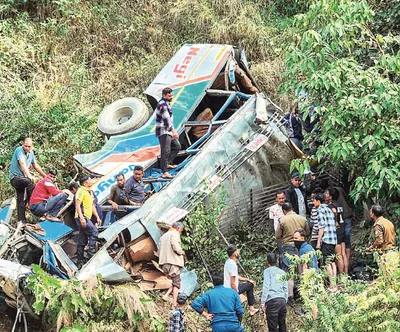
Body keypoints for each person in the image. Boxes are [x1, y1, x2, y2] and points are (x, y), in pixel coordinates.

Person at [276, 202, 310, 300]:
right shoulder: (303, 219)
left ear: (284, 211)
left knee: (289, 272)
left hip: (288, 247)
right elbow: (307, 232)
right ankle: (303, 294)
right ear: (293, 208)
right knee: (301, 270)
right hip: (301, 247)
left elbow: (278, 235)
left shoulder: (282, 220)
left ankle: (290, 296)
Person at [9, 137, 46, 223]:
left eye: (29, 146)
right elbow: (22, 163)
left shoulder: (31, 153)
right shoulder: (19, 150)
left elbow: (35, 165)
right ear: (23, 145)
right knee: (30, 182)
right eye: (25, 146)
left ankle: (22, 222)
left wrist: (45, 176)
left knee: (20, 200)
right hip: (15, 178)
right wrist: (29, 176)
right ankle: (32, 203)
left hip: (23, 179)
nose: (27, 148)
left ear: (32, 146)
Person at [75, 175, 102, 268]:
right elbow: (77, 205)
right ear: (85, 183)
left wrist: (97, 216)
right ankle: (91, 255)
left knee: (82, 239)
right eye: (90, 180)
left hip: (86, 217)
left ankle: (80, 260)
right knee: (94, 232)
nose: (91, 181)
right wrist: (82, 218)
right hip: (82, 217)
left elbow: (92, 206)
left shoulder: (89, 192)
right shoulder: (81, 190)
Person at [224, 245, 258, 315]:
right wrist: (237, 295)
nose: (238, 252)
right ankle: (251, 309)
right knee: (250, 285)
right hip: (231, 289)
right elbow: (232, 283)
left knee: (248, 284)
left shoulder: (228, 262)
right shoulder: (232, 265)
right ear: (235, 253)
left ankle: (251, 308)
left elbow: (236, 276)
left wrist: (247, 280)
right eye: (237, 251)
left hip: (227, 288)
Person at [158, 221, 186, 308]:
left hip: (164, 262)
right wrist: (181, 252)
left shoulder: (163, 236)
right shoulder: (175, 233)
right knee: (177, 283)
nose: (180, 232)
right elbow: (175, 245)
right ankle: (174, 304)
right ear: (178, 228)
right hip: (173, 262)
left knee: (174, 281)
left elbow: (159, 249)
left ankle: (166, 295)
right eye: (181, 230)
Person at [156, 87, 181, 179]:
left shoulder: (166, 104)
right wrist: (173, 131)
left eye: (172, 95)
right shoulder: (163, 105)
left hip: (168, 132)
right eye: (169, 95)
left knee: (176, 146)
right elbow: (167, 119)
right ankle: (165, 172)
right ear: (164, 95)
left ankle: (167, 164)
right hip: (164, 131)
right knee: (165, 151)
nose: (171, 97)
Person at [314, 193, 337, 288]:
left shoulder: (320, 210)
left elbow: (321, 227)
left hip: (326, 239)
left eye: (314, 201)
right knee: (332, 262)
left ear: (318, 201)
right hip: (333, 239)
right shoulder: (329, 209)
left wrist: (318, 242)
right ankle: (334, 284)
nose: (313, 203)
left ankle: (332, 285)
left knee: (327, 263)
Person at [261, 253, 288, 332]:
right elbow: (285, 288)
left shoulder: (267, 271)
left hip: (272, 301)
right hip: (282, 300)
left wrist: (263, 302)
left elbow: (266, 286)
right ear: (276, 261)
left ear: (267, 262)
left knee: (273, 327)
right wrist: (284, 300)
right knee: (282, 324)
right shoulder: (282, 272)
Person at [325, 187, 348, 274]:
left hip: (337, 231)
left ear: (330, 197)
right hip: (343, 229)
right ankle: (346, 273)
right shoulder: (339, 204)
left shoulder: (331, 206)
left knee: (338, 255)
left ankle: (342, 275)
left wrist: (335, 221)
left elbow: (334, 212)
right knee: (343, 254)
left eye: (327, 194)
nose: (325, 195)